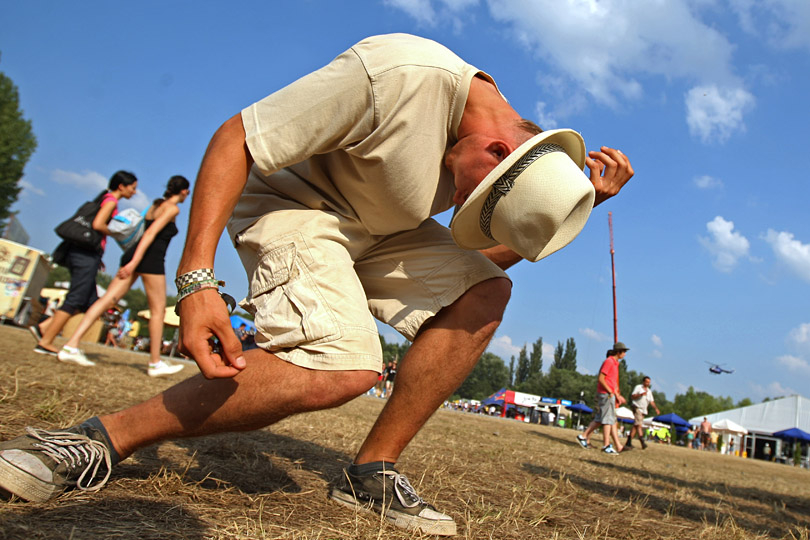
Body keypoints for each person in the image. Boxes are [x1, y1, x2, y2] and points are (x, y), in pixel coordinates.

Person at [0, 34, 633, 536]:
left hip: (380, 230)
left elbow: (480, 265)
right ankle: (92, 441)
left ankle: (369, 473)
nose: (460, 208)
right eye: (471, 199)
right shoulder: (395, 77)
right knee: (343, 369)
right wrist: (196, 281)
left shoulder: (480, 151)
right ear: (497, 151)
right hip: (295, 206)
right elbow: (236, 138)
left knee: (487, 290)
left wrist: (576, 205)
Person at [54, 176, 191, 377]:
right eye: (188, 191)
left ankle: (71, 345)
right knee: (158, 311)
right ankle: (155, 363)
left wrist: (131, 260)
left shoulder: (155, 206)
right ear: (183, 191)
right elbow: (150, 235)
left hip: (133, 255)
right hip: (149, 260)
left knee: (106, 300)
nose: (188, 194)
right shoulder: (172, 209)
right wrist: (135, 263)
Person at [29, 171, 138, 355]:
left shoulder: (104, 197)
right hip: (84, 254)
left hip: (84, 253)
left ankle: (44, 327)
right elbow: (98, 225)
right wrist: (117, 233)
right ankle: (46, 342)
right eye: (133, 188)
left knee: (89, 301)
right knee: (77, 297)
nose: (134, 192)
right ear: (122, 186)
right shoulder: (111, 200)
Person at [577, 344, 630, 454]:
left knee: (599, 419)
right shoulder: (609, 362)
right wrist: (610, 391)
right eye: (624, 351)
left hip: (609, 394)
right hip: (605, 394)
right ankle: (606, 445)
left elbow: (613, 382)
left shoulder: (615, 364)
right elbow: (601, 378)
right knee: (607, 419)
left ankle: (583, 436)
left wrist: (617, 395)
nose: (625, 354)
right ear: (619, 352)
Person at [626, 376, 660, 450]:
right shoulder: (638, 387)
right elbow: (632, 396)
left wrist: (656, 409)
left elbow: (651, 401)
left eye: (649, 382)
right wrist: (640, 395)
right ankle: (642, 441)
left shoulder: (649, 391)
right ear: (643, 382)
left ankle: (628, 442)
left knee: (636, 425)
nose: (648, 383)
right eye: (647, 382)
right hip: (637, 407)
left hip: (643, 410)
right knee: (639, 425)